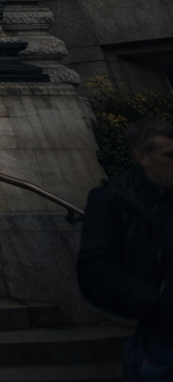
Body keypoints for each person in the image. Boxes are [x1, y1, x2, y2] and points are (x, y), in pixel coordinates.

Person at [79, 117, 173, 378]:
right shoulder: (113, 199)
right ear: (143, 157)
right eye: (169, 155)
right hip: (162, 345)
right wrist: (159, 303)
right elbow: (96, 269)